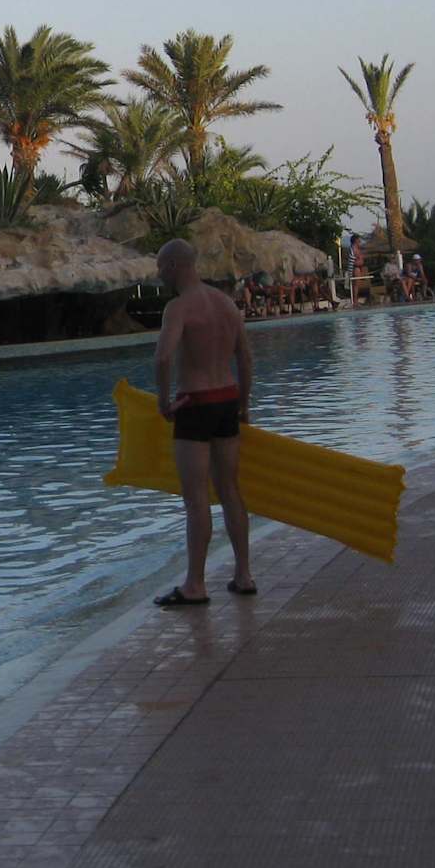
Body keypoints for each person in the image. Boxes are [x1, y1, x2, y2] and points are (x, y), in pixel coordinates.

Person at [150, 239, 255, 608]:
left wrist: (163, 401)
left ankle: (195, 585)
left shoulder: (178, 307)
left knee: (196, 499)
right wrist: (244, 404)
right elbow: (245, 357)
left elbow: (163, 358)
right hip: (226, 400)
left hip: (195, 404)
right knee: (230, 491)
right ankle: (243, 575)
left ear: (175, 265)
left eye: (161, 266)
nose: (158, 274)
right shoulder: (226, 303)